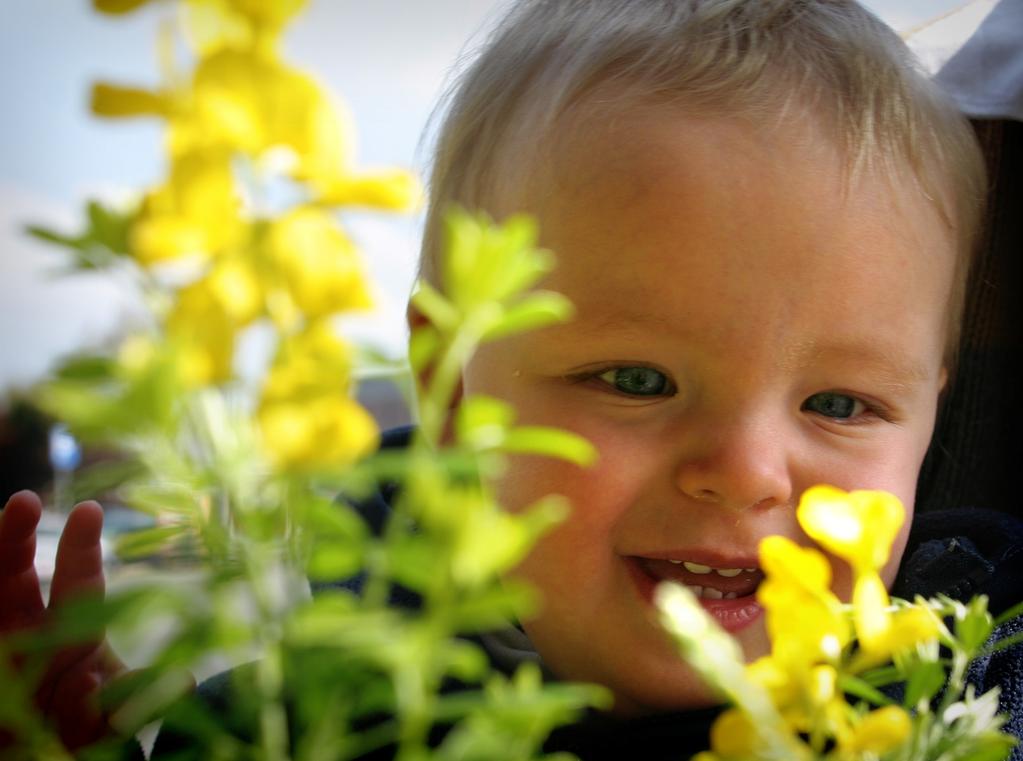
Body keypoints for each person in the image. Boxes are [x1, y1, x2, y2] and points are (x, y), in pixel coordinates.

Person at [2, 0, 1021, 758]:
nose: (747, 470)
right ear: (447, 387)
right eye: (635, 378)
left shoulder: (972, 693)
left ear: (934, 408)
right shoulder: (300, 724)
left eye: (840, 404)